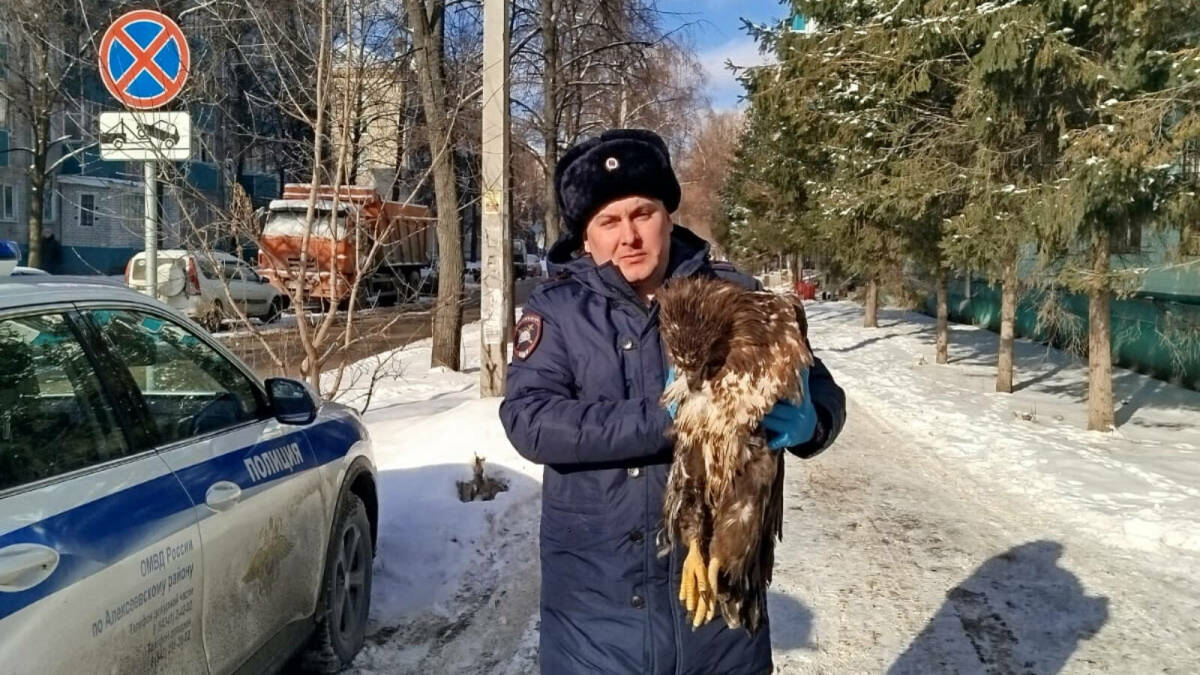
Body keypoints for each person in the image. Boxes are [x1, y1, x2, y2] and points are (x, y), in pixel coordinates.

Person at [499, 129, 846, 675]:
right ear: (586, 238)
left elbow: (818, 385)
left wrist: (813, 421)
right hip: (596, 619)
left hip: (721, 621)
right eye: (608, 222)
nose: (629, 236)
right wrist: (669, 418)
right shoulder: (557, 312)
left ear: (668, 215)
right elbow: (530, 421)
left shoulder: (734, 294)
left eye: (643, 213)